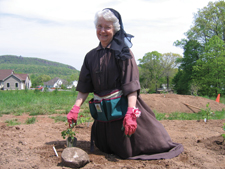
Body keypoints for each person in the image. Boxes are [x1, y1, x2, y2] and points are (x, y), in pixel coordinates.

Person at [67, 8, 183, 160]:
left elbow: (131, 86)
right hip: (103, 113)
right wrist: (75, 108)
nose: (102, 31)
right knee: (104, 147)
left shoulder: (123, 53)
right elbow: (84, 87)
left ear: (114, 29)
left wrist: (130, 114)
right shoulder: (90, 56)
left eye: (107, 27)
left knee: (128, 151)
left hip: (121, 110)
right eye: (99, 26)